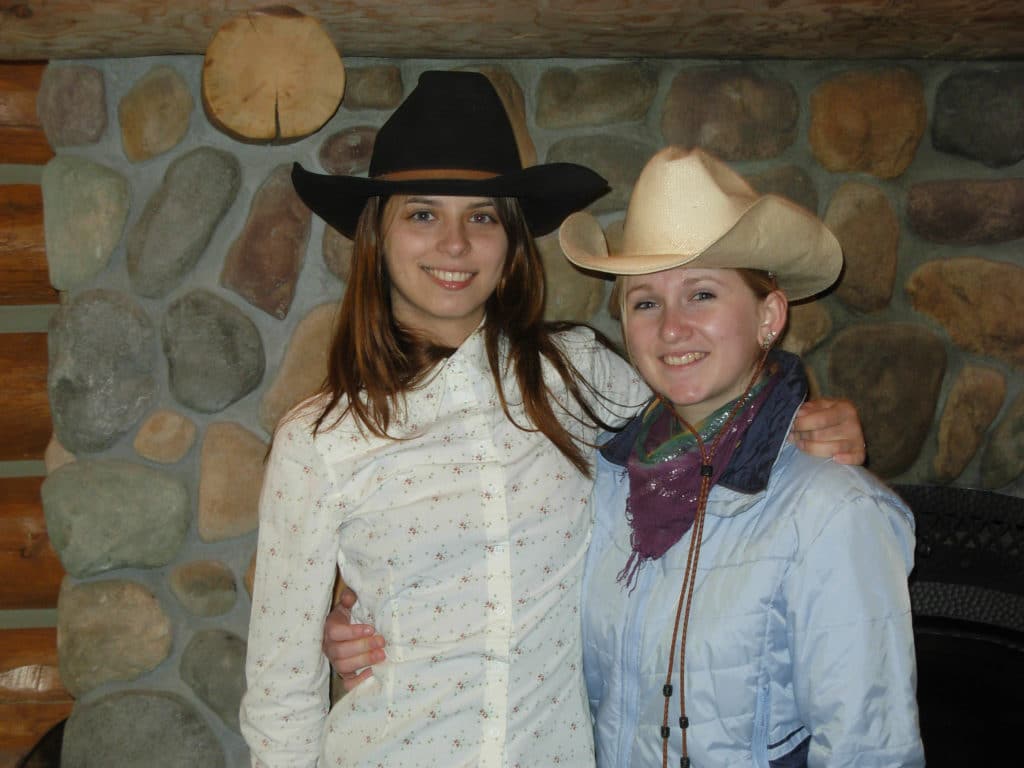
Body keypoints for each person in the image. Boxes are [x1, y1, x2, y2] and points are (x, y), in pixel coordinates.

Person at [241, 69, 866, 768]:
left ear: (509, 242)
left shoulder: (575, 373)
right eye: (422, 213)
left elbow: (707, 426)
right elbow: (280, 691)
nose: (454, 244)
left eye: (480, 216)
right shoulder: (318, 442)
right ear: (377, 238)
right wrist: (346, 615)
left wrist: (802, 422)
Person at [561, 146, 924, 767]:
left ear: (769, 316)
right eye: (646, 302)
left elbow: (870, 749)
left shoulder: (833, 512)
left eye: (701, 294)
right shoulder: (603, 483)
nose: (671, 328)